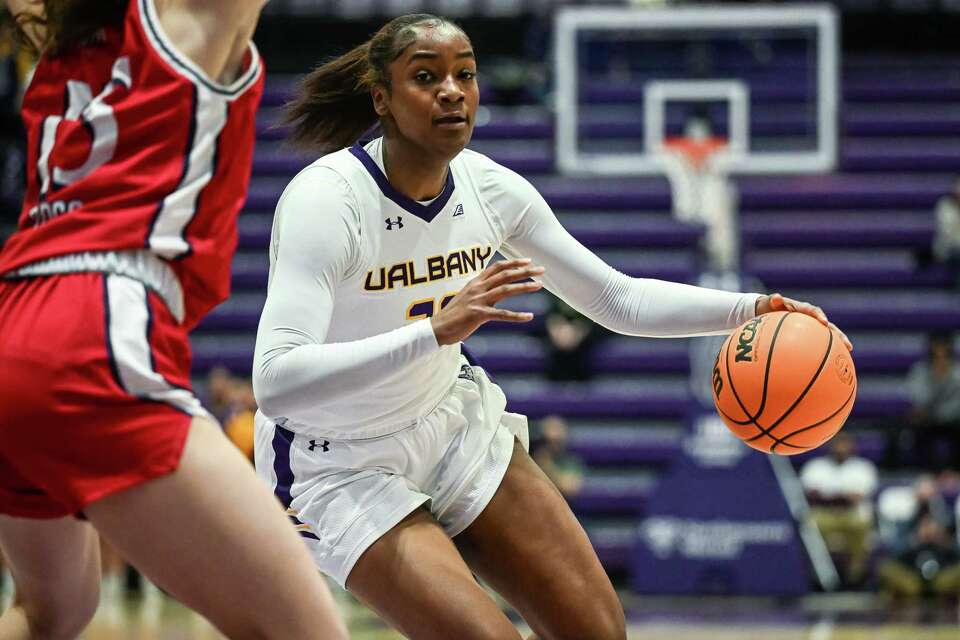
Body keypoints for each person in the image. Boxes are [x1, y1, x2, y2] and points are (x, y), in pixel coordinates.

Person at [252, 13, 852, 640]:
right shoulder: (327, 200)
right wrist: (434, 332)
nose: (453, 91)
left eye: (465, 75)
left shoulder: (493, 190)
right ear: (382, 97)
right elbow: (274, 382)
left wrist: (747, 310)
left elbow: (618, 299)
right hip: (337, 459)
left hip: (449, 425)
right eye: (426, 77)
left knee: (599, 632)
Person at [0, 2, 345, 638]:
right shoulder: (187, 20)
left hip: (14, 318)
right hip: (94, 321)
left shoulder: (55, 36)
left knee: (51, 611)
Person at [800, 432, 878, 588]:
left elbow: (858, 497)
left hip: (851, 514)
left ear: (851, 446)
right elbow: (812, 496)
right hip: (824, 514)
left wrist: (831, 495)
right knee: (809, 526)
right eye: (837, 444)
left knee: (862, 525)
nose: (840, 448)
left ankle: (855, 578)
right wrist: (842, 495)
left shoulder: (863, 468)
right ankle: (819, 576)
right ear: (830, 445)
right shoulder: (815, 466)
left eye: (844, 444)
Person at [906, 332, 960, 470]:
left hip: (952, 421)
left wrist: (938, 414)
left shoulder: (957, 373)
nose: (940, 358)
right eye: (936, 354)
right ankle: (925, 471)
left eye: (944, 354)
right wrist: (937, 379)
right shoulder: (920, 371)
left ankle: (955, 471)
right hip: (927, 422)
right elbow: (919, 399)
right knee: (916, 428)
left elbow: (957, 404)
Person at [531, 416, 585, 500]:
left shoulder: (570, 461)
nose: (553, 445)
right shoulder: (530, 460)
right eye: (547, 440)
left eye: (557, 441)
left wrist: (546, 465)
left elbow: (569, 488)